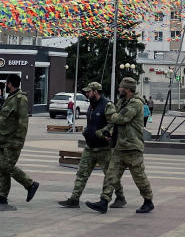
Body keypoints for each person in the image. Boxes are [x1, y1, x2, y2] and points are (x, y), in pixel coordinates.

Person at [86, 77, 154, 214]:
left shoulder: (136, 103)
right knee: (111, 175)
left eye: (121, 88)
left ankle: (148, 201)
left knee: (139, 177)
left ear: (127, 89)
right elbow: (115, 120)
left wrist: (113, 115)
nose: (119, 89)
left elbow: (121, 118)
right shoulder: (123, 102)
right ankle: (104, 201)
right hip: (120, 146)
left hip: (132, 147)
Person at [58, 82, 126, 208]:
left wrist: (100, 133)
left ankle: (120, 197)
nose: (86, 93)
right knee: (82, 173)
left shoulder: (107, 105)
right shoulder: (91, 105)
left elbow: (113, 124)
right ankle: (74, 199)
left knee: (110, 176)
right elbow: (92, 123)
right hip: (90, 146)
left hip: (103, 148)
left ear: (95, 91)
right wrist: (87, 131)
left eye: (89, 91)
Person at [0, 75, 39, 204]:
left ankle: (30, 184)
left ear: (10, 84)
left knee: (7, 166)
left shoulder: (20, 99)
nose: (5, 85)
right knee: (1, 167)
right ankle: (2, 195)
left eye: (6, 83)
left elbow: (23, 122)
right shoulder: (10, 97)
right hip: (3, 140)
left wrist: (18, 141)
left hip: (12, 141)